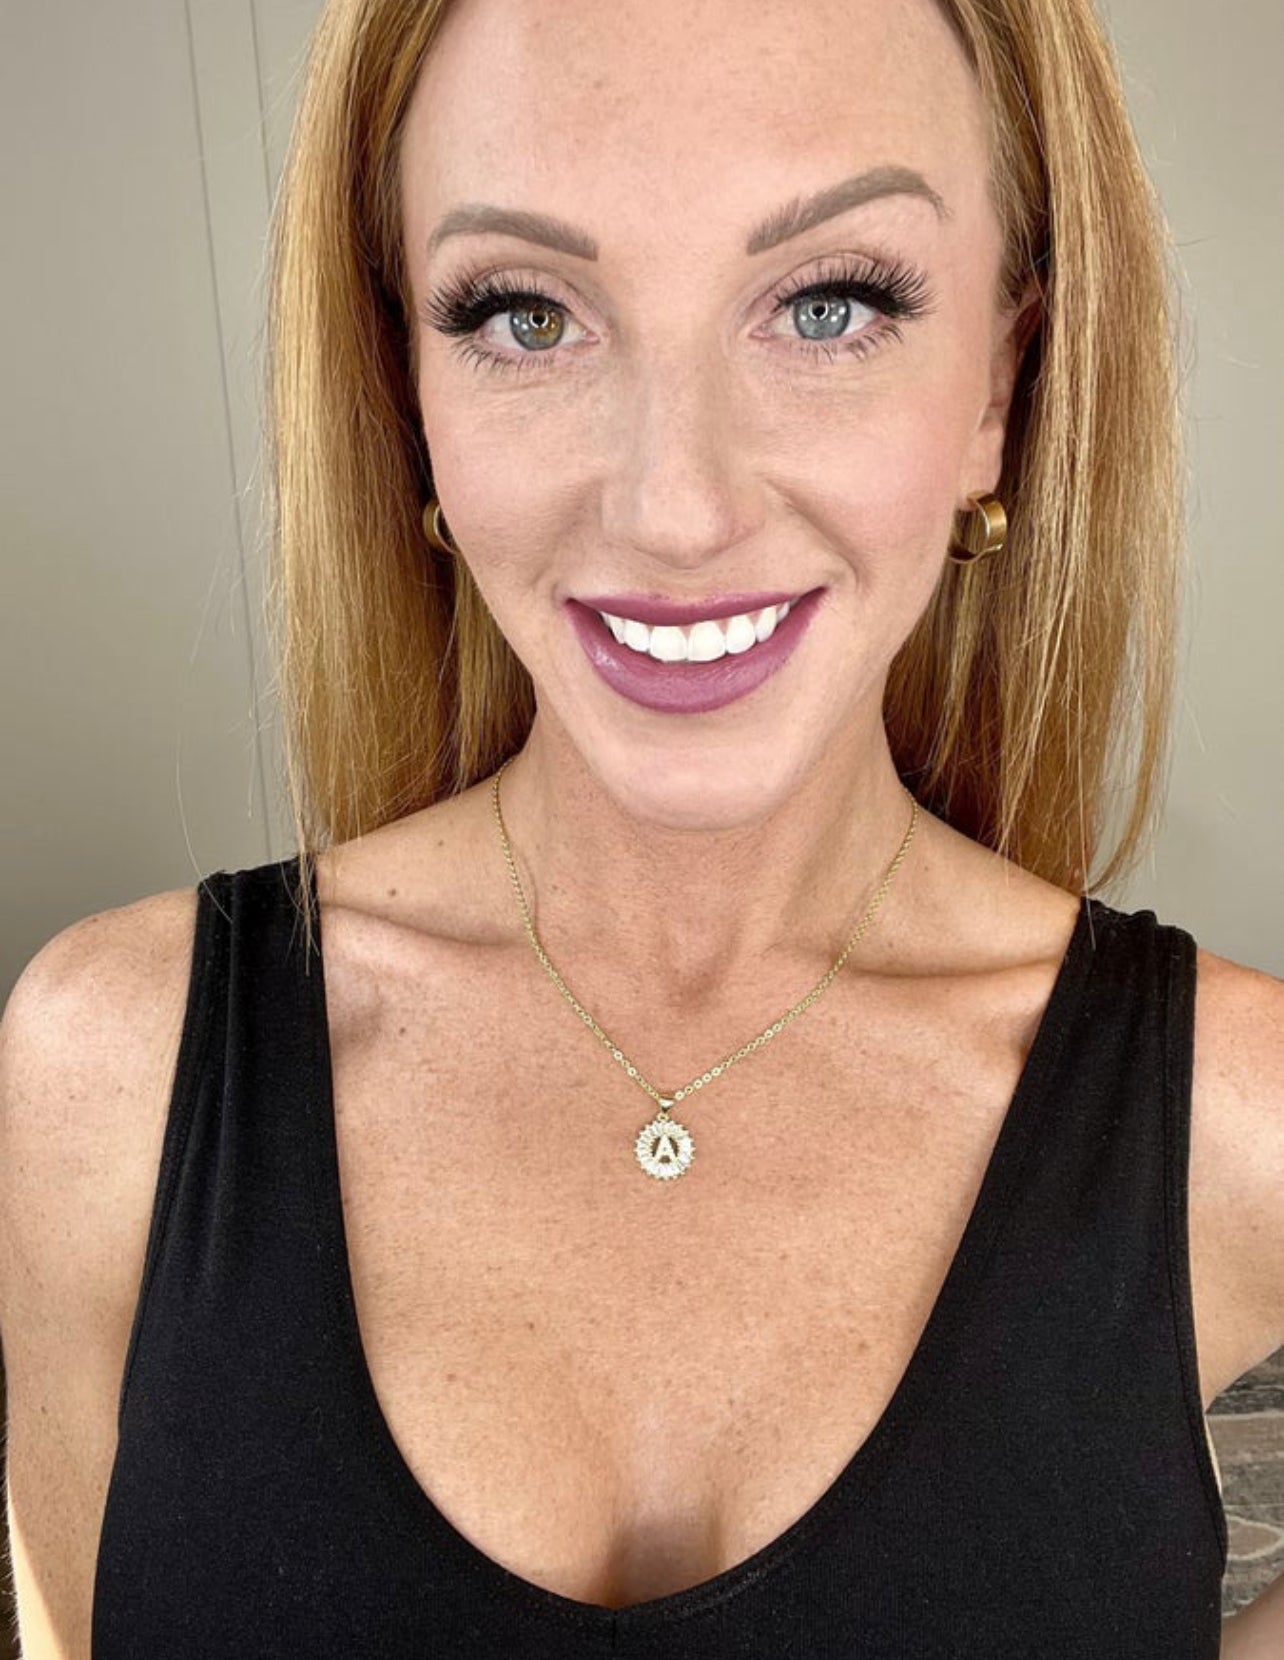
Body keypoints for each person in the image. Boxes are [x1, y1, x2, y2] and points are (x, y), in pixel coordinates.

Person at [1, 0, 1281, 1653]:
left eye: (830, 304)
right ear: (408, 392)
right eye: (526, 316)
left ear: (1000, 385)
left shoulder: (1240, 1116)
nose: (677, 509)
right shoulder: (107, 1073)